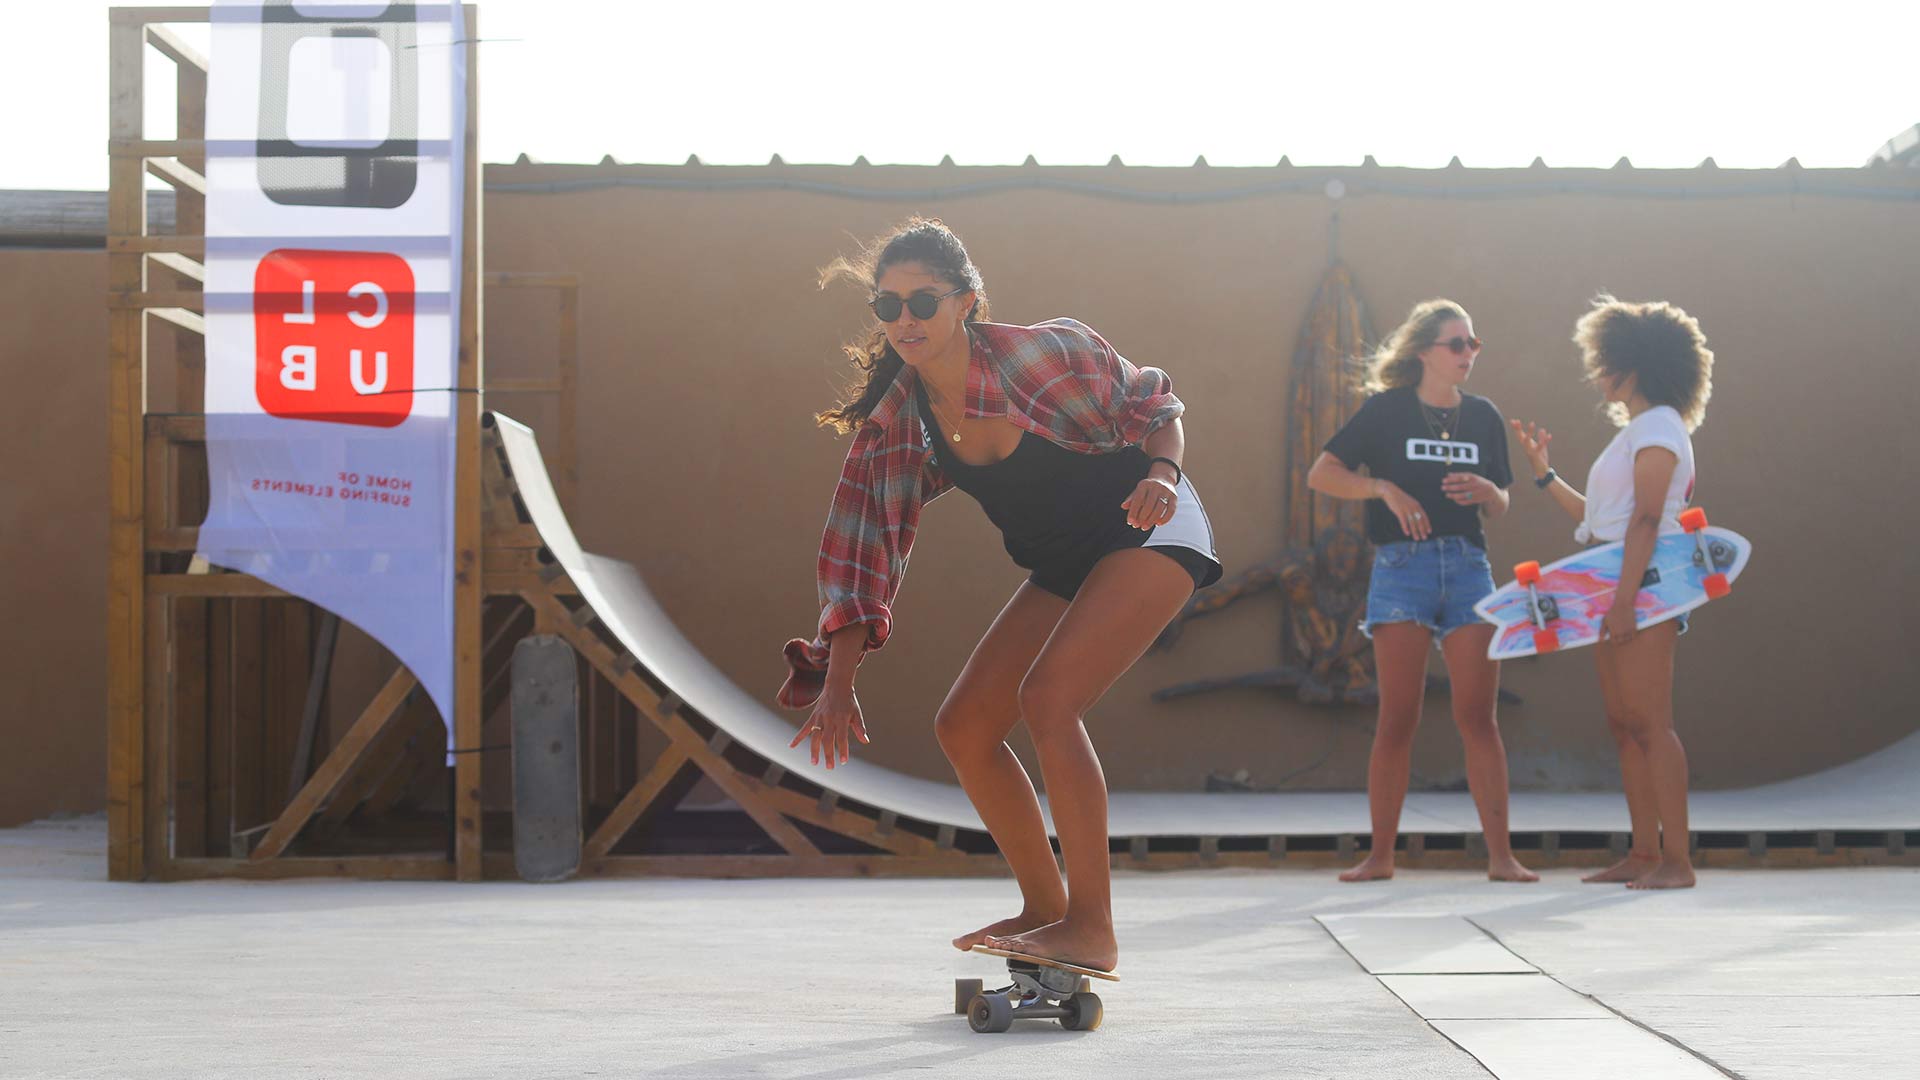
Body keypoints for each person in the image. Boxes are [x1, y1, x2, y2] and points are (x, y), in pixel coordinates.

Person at [779, 219, 1222, 971]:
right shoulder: (897, 420)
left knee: (1050, 700)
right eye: (886, 308)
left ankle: (1093, 925)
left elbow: (1154, 404)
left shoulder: (1041, 353)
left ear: (967, 302)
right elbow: (864, 545)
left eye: (923, 302)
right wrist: (838, 681)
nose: (905, 321)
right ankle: (1046, 910)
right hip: (1064, 562)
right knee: (965, 727)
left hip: (1149, 527)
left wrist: (1161, 474)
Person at [1307, 299, 1536, 883]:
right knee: (1398, 716)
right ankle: (1380, 856)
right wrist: (1382, 487)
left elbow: (1502, 503)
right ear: (1423, 353)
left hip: (1467, 567)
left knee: (1477, 716)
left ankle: (1502, 857)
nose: (1468, 354)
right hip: (1401, 568)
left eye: (1473, 343)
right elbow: (1322, 473)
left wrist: (1490, 489)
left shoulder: (1483, 416)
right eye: (1456, 344)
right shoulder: (1386, 411)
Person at [1509, 296, 1714, 890]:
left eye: (1606, 363)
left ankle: (1677, 861)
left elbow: (1649, 520)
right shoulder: (1639, 432)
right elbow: (1602, 520)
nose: (1597, 375)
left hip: (1642, 590)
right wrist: (1544, 473)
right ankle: (1644, 855)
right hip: (1617, 586)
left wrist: (1624, 601)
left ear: (1636, 366)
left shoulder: (1658, 428)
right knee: (1624, 725)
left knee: (1651, 723)